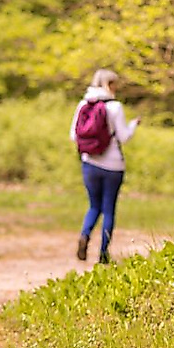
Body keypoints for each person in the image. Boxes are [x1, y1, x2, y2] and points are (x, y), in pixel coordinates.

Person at [69, 69, 140, 264]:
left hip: (90, 163)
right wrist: (133, 125)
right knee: (108, 209)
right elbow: (124, 136)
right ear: (109, 85)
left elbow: (73, 135)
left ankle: (85, 235)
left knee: (94, 206)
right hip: (113, 166)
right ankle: (103, 253)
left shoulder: (84, 104)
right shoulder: (115, 107)